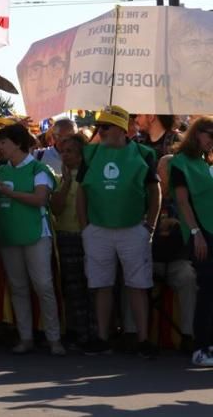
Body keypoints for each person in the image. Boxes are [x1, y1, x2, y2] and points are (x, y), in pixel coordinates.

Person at [76, 105, 161, 358]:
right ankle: (103, 338)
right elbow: (82, 192)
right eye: (99, 126)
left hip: (133, 228)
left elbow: (154, 191)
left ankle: (143, 340)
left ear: (122, 129)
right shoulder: (90, 154)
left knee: (138, 285)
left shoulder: (143, 153)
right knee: (101, 284)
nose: (100, 131)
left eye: (105, 126)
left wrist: (150, 226)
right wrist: (85, 227)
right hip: (98, 230)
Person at [0, 123, 65, 356]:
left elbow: (40, 199)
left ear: (18, 143)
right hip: (10, 235)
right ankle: (26, 337)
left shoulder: (39, 170)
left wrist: (8, 193)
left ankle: (54, 338)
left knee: (43, 285)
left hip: (36, 235)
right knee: (18, 288)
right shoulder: (0, 171)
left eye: (3, 143)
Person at [169, 116, 213, 366]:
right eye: (210, 136)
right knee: (207, 288)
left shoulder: (206, 161)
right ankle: (200, 347)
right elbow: (183, 201)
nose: (212, 142)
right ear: (197, 133)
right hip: (200, 232)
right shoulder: (180, 163)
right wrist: (196, 233)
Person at [52, 133, 92, 346]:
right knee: (71, 287)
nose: (65, 155)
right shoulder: (61, 179)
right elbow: (56, 208)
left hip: (85, 236)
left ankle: (91, 331)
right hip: (65, 236)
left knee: (89, 286)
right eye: (63, 151)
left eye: (70, 151)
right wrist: (66, 182)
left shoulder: (90, 176)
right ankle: (75, 329)